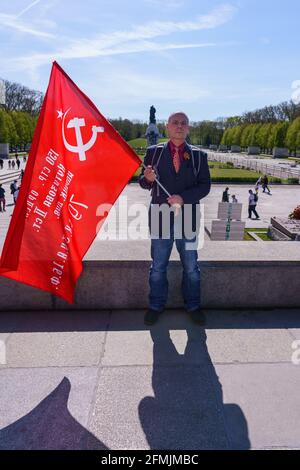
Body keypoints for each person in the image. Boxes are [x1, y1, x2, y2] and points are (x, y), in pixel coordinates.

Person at [139, 112, 211, 326]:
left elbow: (205, 186)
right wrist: (148, 178)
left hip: (188, 216)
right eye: (175, 123)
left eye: (183, 123)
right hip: (160, 216)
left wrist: (183, 198)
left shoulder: (199, 156)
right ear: (167, 127)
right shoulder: (154, 153)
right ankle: (156, 305)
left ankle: (193, 305)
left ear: (188, 129)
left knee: (191, 266)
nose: (179, 127)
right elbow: (143, 183)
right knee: (158, 265)